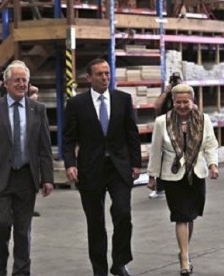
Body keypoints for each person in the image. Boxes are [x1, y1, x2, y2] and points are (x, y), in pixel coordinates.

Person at [62, 58, 141, 276]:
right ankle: (100, 269)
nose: (105, 78)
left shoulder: (123, 100)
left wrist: (136, 163)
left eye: (107, 73)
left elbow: (131, 134)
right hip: (90, 169)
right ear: (89, 78)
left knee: (123, 214)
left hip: (119, 167)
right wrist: (70, 164)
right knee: (95, 221)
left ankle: (120, 263)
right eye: (100, 74)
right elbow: (68, 138)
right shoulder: (77, 104)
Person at [0, 60, 54, 276]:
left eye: (24, 81)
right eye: (17, 80)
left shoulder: (37, 109)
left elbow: (44, 148)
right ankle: (0, 265)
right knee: (2, 223)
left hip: (26, 178)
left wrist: (47, 178)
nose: (21, 84)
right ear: (6, 84)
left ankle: (22, 271)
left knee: (22, 229)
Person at [146, 84, 219, 276]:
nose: (182, 106)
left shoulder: (204, 120)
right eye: (178, 102)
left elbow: (210, 145)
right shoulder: (162, 122)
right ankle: (185, 260)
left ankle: (183, 250)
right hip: (173, 175)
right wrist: (152, 175)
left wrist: (213, 165)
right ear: (173, 102)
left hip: (196, 173)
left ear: (192, 101)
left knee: (191, 216)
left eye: (185, 102)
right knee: (181, 216)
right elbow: (155, 150)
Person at [148, 72, 183, 199]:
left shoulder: (185, 95)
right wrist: (166, 92)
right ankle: (160, 187)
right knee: (161, 157)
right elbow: (156, 107)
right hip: (165, 127)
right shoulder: (166, 95)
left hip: (180, 127)